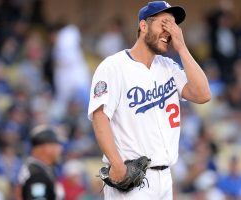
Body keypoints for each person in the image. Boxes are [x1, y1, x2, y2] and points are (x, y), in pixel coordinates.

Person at [88, 1, 211, 199]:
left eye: (173, 26)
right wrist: (117, 164)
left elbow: (203, 94)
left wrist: (181, 47)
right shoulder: (114, 66)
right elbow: (100, 116)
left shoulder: (168, 66)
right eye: (164, 23)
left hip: (164, 177)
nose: (169, 31)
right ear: (143, 26)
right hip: (132, 178)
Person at [16, 125, 64, 200]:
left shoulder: (43, 169)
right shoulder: (36, 174)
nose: (60, 149)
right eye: (57, 145)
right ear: (46, 147)